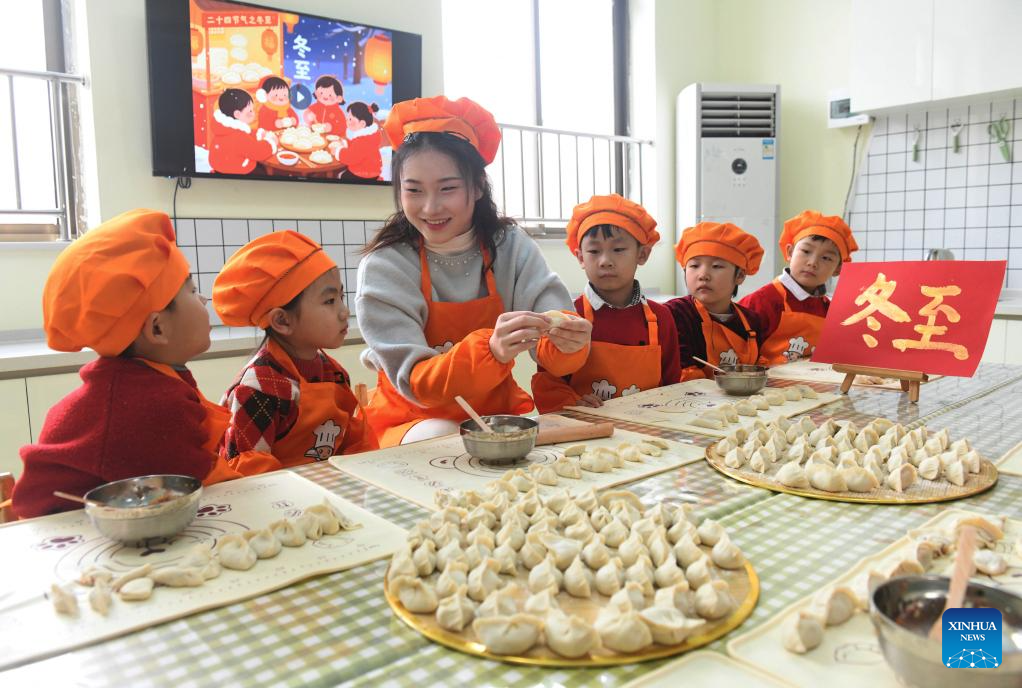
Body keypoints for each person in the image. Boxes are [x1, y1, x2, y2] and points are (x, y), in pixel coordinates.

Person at [356, 95, 592, 446]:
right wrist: (491, 351)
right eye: (413, 190)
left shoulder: (509, 245)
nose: (430, 207)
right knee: (444, 439)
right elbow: (418, 383)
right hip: (413, 419)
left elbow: (554, 348)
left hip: (496, 413)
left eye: (447, 188)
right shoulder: (386, 264)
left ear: (478, 185)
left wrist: (568, 344)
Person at [12, 210, 239, 519]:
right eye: (192, 290)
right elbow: (203, 489)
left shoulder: (142, 380)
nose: (203, 301)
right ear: (157, 328)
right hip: (68, 534)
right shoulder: (150, 403)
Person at [213, 231, 377, 475]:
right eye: (329, 301)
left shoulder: (333, 373)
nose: (344, 312)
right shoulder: (257, 389)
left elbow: (353, 442)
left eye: (341, 297)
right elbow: (251, 474)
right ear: (282, 320)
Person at [531, 194, 681, 412]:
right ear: (580, 257)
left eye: (618, 250)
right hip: (586, 428)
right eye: (594, 251)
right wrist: (572, 403)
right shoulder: (569, 317)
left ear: (642, 254)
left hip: (650, 428)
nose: (605, 261)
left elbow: (673, 386)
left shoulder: (661, 318)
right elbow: (548, 383)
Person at [740, 210, 858, 364]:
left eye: (826, 258)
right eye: (806, 251)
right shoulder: (761, 302)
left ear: (838, 269)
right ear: (790, 252)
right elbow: (739, 352)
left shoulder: (829, 310)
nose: (812, 262)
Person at [666, 222, 765, 380]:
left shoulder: (752, 321)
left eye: (717, 266)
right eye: (694, 265)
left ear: (740, 276)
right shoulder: (675, 314)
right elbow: (681, 371)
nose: (703, 275)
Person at [209, 88, 278, 175]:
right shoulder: (238, 137)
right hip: (239, 171)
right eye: (250, 111)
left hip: (222, 168)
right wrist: (271, 142)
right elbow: (258, 152)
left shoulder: (225, 127)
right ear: (237, 114)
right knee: (263, 171)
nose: (253, 113)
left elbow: (246, 135)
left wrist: (259, 134)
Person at [329, 102, 383, 183]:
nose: (347, 121)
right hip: (371, 170)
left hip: (363, 174)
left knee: (339, 175)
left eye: (350, 119)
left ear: (362, 123)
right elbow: (355, 146)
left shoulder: (363, 140)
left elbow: (351, 157)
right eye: (347, 118)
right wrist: (345, 143)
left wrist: (337, 151)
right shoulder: (368, 136)